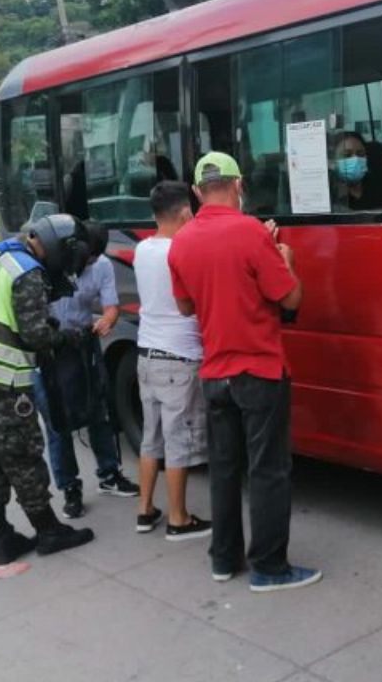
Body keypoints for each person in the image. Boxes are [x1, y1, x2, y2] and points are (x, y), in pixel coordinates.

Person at [167, 152, 320, 593]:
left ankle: (223, 558)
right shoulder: (252, 233)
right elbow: (289, 299)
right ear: (239, 186)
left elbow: (184, 306)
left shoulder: (183, 241)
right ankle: (269, 568)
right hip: (259, 370)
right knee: (268, 470)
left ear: (197, 192)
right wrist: (284, 257)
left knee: (224, 469)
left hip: (215, 373)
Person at [0, 214, 96, 571]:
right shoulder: (28, 273)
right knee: (22, 456)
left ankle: (1, 539)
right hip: (2, 380)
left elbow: (4, 313)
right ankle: (48, 532)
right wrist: (68, 336)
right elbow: (36, 336)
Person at [32, 219, 139, 519]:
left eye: (92, 258)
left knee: (98, 411)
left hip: (83, 342)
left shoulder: (102, 265)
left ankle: (109, 474)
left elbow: (111, 305)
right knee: (57, 422)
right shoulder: (44, 264)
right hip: (51, 348)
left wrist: (108, 319)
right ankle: (70, 488)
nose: (87, 262)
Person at [133, 181, 212, 541]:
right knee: (178, 440)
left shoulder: (142, 249)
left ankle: (145, 510)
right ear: (184, 213)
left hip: (146, 356)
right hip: (178, 359)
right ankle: (178, 519)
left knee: (152, 438)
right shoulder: (181, 251)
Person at [332, 131, 371, 210]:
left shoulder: (379, 188)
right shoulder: (331, 198)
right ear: (333, 161)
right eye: (347, 155)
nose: (355, 159)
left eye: (360, 154)